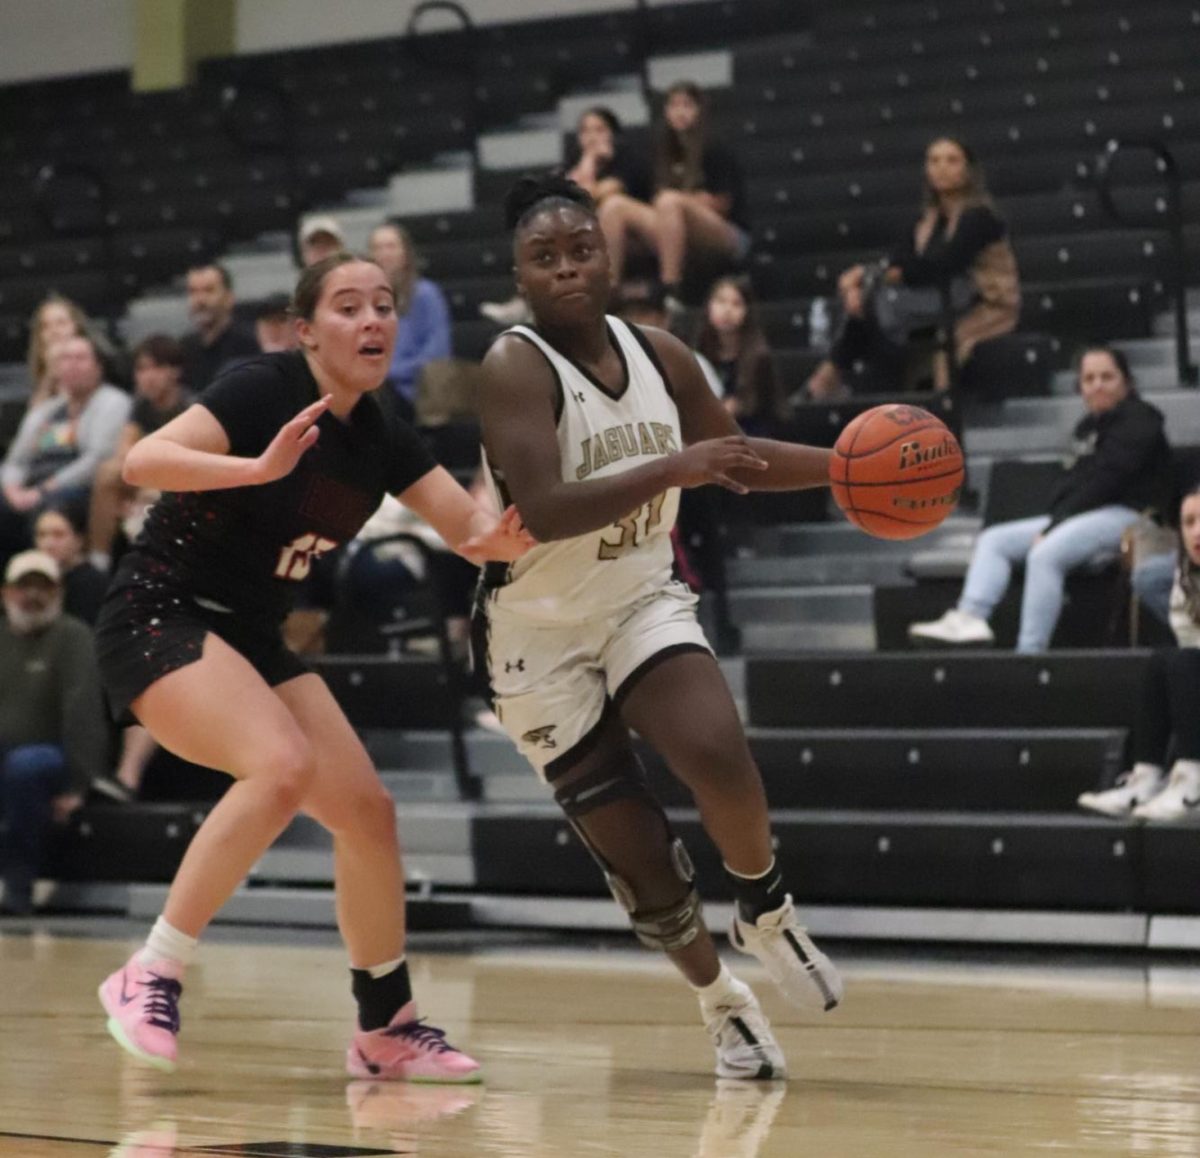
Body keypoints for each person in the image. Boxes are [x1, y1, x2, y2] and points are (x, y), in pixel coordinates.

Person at [93, 253, 533, 1078]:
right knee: (281, 766)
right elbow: (142, 462)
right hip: (160, 612)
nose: (372, 320)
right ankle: (149, 969)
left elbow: (465, 528)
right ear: (305, 331)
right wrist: (256, 470)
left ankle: (385, 1027)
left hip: (252, 635)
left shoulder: (382, 430)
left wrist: (503, 539)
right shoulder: (262, 388)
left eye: (384, 305)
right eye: (347, 307)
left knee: (367, 814)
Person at [477, 175, 843, 1082]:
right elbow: (548, 508)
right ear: (519, 273)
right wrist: (673, 464)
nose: (566, 268)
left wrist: (850, 468)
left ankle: (764, 905)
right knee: (643, 861)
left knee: (717, 749)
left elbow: (738, 462)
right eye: (544, 256)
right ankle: (720, 1001)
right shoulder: (512, 366)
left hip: (639, 595)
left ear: (611, 254)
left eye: (580, 249)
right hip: (539, 632)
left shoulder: (664, 354)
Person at [909, 345, 1170, 652]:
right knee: (995, 539)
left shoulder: (1141, 419)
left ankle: (1030, 652)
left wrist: (1053, 527)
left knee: (1045, 553)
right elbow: (1070, 484)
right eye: (1089, 379)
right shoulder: (1086, 428)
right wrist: (1055, 520)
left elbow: (1106, 481)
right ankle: (970, 616)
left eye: (1107, 377)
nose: (1097, 385)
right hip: (1084, 516)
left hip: (1133, 516)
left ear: (1127, 382)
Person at [805, 137, 1020, 399]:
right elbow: (900, 257)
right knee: (864, 303)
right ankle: (830, 377)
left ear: (968, 170)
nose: (941, 167)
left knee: (871, 306)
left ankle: (828, 377)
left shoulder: (979, 216)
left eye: (951, 160)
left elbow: (942, 264)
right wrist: (864, 276)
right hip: (935, 296)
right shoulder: (927, 217)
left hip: (978, 299)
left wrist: (881, 276)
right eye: (934, 161)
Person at [1078, 486, 1200, 821]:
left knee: (1185, 662)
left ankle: (1193, 784)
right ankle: (1145, 779)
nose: (1196, 532)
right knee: (1162, 661)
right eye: (1188, 522)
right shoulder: (1186, 579)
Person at [0, 550, 107, 916]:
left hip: (51, 758)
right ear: (5, 593)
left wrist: (79, 784)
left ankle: (19, 887)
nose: (32, 595)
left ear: (58, 592)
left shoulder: (73, 636)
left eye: (42, 587)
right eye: (22, 586)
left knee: (24, 766)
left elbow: (84, 712)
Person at [482, 107, 651, 328]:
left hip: (630, 240)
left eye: (599, 129)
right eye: (586, 131)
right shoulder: (571, 166)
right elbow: (562, 199)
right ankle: (527, 301)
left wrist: (590, 160)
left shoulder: (627, 163)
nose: (592, 136)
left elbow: (587, 198)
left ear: (613, 134)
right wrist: (587, 161)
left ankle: (608, 291)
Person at [598, 81, 750, 309]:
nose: (680, 112)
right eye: (674, 106)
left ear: (699, 109)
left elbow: (723, 204)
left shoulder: (715, 146)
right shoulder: (658, 151)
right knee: (614, 206)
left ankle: (670, 289)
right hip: (672, 229)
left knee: (669, 201)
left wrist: (684, 202)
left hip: (725, 233)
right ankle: (608, 293)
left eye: (687, 105)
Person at [0, 334, 131, 566]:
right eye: (65, 358)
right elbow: (15, 460)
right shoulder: (45, 410)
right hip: (28, 487)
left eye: (80, 358)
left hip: (75, 488)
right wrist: (12, 490)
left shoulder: (113, 402)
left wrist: (42, 490)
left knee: (47, 513)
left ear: (98, 367)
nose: (71, 364)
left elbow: (96, 460)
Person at [88, 335, 193, 572]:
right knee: (107, 473)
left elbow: (187, 463)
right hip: (147, 479)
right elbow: (125, 455)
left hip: (184, 482)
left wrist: (149, 489)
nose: (148, 376)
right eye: (141, 369)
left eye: (156, 367)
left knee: (152, 496)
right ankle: (98, 562)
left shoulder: (191, 406)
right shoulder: (140, 406)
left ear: (175, 372)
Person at [368, 223, 453, 424]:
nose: (384, 254)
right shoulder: (364, 300)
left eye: (390, 246)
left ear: (405, 253)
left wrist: (389, 372)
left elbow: (437, 354)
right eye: (378, 247)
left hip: (416, 391)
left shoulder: (426, 294)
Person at [693, 276, 785, 437]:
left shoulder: (759, 357)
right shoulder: (699, 351)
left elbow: (759, 408)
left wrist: (732, 407)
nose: (727, 310)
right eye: (721, 301)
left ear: (747, 311)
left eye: (736, 304)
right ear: (708, 306)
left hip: (751, 433)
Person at [179, 265, 260, 392]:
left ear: (229, 298)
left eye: (209, 290)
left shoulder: (250, 345)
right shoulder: (184, 348)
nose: (200, 300)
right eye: (193, 291)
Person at [34, 503, 108, 625]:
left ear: (79, 540)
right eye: (41, 535)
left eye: (58, 535)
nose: (48, 544)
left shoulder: (93, 583)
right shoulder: (32, 578)